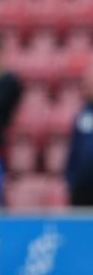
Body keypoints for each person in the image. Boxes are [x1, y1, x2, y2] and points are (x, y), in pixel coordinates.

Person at [65, 63, 93, 205]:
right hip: (81, 186)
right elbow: (74, 146)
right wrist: (70, 177)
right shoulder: (83, 113)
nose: (87, 87)